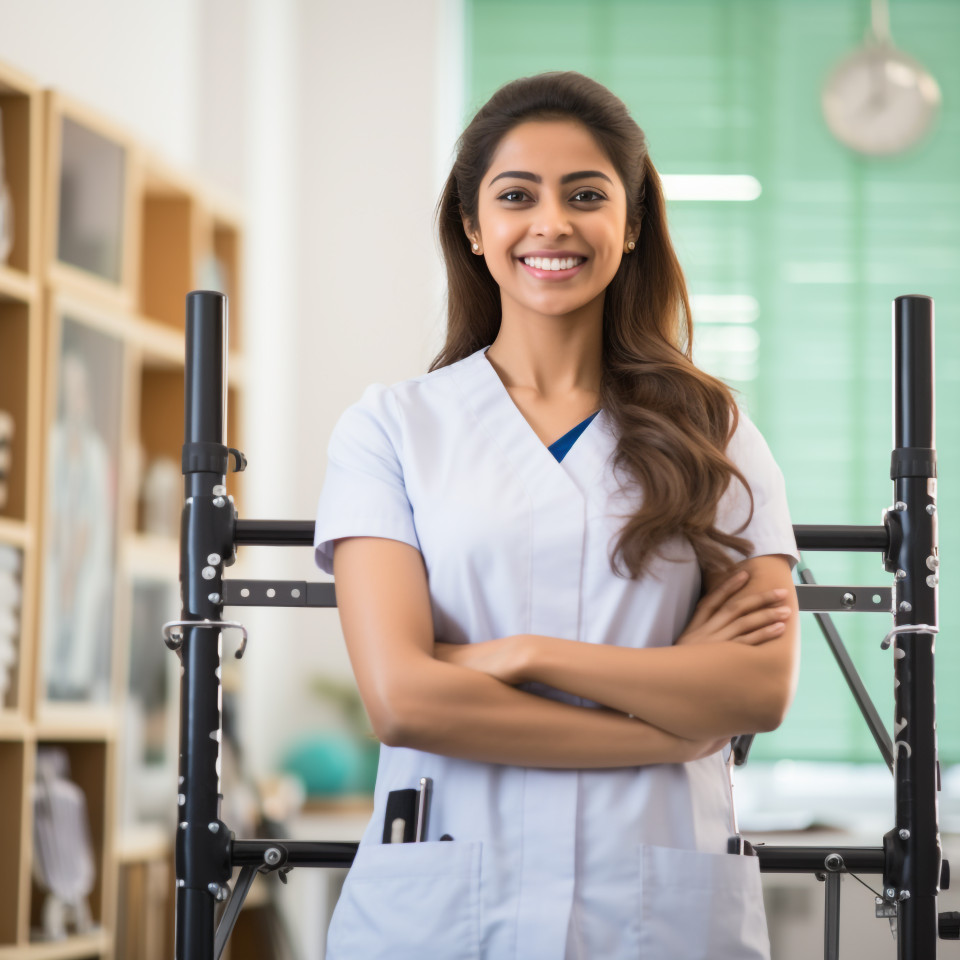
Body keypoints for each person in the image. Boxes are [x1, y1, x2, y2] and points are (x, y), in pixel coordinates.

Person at [314, 71, 800, 960]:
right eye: (515, 195)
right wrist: (671, 727)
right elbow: (405, 700)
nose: (552, 224)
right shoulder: (391, 429)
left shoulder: (712, 431)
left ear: (633, 223)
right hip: (448, 911)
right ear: (472, 225)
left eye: (586, 195)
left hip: (656, 915)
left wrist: (521, 657)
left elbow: (756, 691)